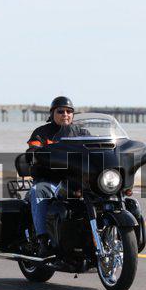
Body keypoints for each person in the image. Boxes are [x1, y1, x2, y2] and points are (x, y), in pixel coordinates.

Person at [26, 96, 88, 256]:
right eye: (60, 111)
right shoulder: (42, 132)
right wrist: (39, 154)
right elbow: (32, 152)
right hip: (50, 181)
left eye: (69, 111)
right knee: (38, 191)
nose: (65, 114)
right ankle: (43, 241)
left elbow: (96, 151)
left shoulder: (82, 133)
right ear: (52, 113)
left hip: (77, 182)